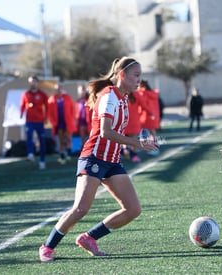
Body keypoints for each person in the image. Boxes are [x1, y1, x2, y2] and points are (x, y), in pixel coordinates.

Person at [39, 56, 158, 262]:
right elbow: (105, 132)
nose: (139, 80)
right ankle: (47, 247)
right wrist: (137, 143)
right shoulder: (110, 96)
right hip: (93, 158)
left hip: (112, 160)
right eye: (136, 75)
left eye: (140, 76)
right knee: (80, 209)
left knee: (133, 209)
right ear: (122, 75)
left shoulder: (123, 97)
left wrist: (138, 141)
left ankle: (89, 238)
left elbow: (116, 133)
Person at [20, 75, 49, 170]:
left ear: (37, 83)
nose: (33, 83)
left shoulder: (42, 94)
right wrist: (21, 113)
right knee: (29, 135)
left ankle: (42, 161)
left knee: (42, 141)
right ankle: (30, 154)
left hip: (39, 121)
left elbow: (47, 107)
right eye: (31, 81)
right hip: (29, 121)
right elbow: (22, 105)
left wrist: (46, 117)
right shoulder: (26, 94)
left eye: (34, 81)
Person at [47, 83, 77, 164]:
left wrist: (72, 119)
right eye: (56, 90)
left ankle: (69, 154)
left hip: (67, 122)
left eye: (59, 89)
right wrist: (54, 123)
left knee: (68, 139)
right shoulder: (51, 100)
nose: (58, 91)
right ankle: (62, 155)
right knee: (61, 140)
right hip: (59, 123)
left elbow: (72, 109)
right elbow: (49, 114)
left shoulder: (67, 98)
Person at [138, 79, 161, 155]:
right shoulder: (153, 93)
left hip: (145, 116)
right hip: (153, 116)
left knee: (144, 133)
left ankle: (152, 148)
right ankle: (154, 147)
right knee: (152, 133)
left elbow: (142, 105)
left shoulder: (142, 93)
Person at [75, 83, 92, 149]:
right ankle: (83, 150)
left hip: (89, 122)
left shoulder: (89, 100)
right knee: (82, 138)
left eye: (82, 90)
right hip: (81, 122)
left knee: (91, 137)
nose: (81, 92)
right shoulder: (78, 101)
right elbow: (77, 112)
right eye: (80, 91)